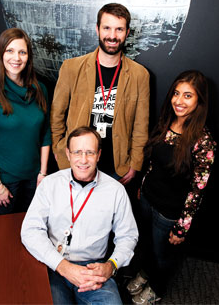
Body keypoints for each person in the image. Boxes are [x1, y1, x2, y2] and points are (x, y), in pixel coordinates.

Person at [21, 126, 138, 305]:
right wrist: (62, 266)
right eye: (77, 152)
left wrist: (111, 266)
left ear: (98, 155)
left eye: (90, 153)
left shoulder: (116, 191)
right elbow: (30, 231)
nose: (83, 160)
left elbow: (128, 236)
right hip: (53, 263)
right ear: (68, 154)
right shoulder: (49, 184)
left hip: (94, 269)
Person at [127, 70, 216, 304]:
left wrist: (182, 227)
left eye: (188, 96)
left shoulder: (203, 141)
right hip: (147, 199)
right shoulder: (166, 121)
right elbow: (154, 161)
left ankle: (157, 287)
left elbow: (198, 189)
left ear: (199, 101)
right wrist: (144, 185)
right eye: (176, 93)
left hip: (169, 212)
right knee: (145, 243)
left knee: (162, 254)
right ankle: (146, 273)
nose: (179, 100)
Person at [51, 3, 149, 187]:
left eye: (119, 29)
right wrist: (59, 148)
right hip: (77, 163)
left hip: (116, 166)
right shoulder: (71, 68)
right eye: (107, 28)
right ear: (97, 29)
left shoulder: (139, 75)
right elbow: (57, 113)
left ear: (127, 32)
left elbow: (141, 126)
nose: (112, 36)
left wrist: (135, 163)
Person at [0, 28, 51, 215]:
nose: (16, 58)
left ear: (28, 57)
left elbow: (46, 134)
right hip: (5, 183)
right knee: (5, 236)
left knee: (34, 232)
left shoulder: (40, 90)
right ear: (0, 53)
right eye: (10, 51)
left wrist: (43, 173)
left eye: (22, 52)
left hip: (36, 179)